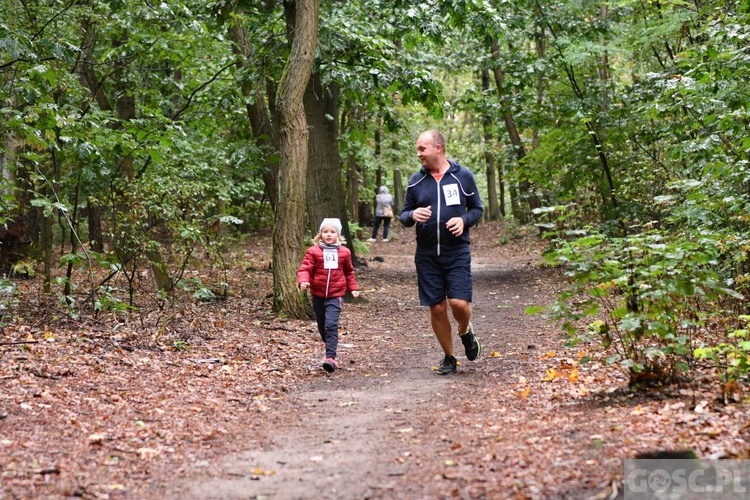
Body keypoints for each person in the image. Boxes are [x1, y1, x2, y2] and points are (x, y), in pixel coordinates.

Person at [400, 130, 484, 375]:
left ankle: (465, 331)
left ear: (438, 148)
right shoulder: (416, 181)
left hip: (456, 252)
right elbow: (404, 215)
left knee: (458, 303)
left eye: (421, 149)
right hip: (426, 255)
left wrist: (464, 220)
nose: (418, 154)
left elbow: (477, 208)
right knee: (436, 308)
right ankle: (449, 357)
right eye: (417, 150)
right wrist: (413, 215)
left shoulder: (463, 177)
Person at [298, 218, 360, 373]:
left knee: (331, 325)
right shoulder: (313, 251)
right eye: (325, 232)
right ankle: (329, 343)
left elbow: (349, 272)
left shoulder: (344, 252)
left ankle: (330, 358)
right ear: (320, 235)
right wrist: (303, 281)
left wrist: (353, 288)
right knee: (322, 324)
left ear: (338, 235)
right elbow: (305, 268)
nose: (329, 235)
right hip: (318, 294)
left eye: (332, 232)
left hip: (335, 295)